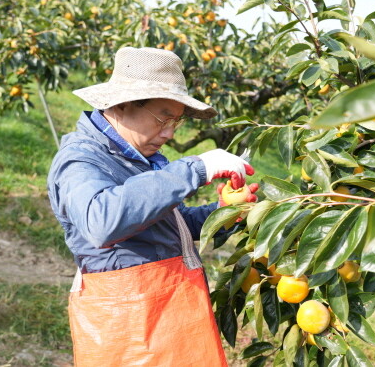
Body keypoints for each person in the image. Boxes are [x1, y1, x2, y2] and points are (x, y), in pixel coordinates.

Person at [47, 47, 259, 366]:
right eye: (164, 118)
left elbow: (165, 226)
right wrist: (194, 168)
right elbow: (101, 221)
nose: (170, 132)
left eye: (177, 121)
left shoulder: (136, 158)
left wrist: (224, 213)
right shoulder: (81, 160)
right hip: (130, 330)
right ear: (123, 104)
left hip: (170, 318)